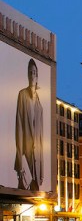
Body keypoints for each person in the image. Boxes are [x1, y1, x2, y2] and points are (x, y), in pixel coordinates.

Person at [15, 59, 43, 191]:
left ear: (37, 76)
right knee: (24, 187)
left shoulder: (38, 101)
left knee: (35, 190)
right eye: (30, 72)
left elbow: (41, 135)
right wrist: (20, 158)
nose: (32, 75)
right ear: (27, 75)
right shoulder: (22, 95)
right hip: (25, 150)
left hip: (37, 154)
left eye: (34, 72)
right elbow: (19, 125)